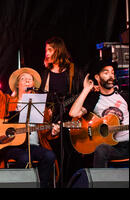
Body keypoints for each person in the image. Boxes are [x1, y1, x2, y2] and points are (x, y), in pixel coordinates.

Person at [0, 56, 58, 188]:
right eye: (23, 79)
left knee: (49, 156)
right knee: (24, 158)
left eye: (30, 80)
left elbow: (46, 133)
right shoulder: (7, 101)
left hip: (34, 146)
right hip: (13, 146)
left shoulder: (41, 106)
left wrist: (53, 131)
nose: (27, 81)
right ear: (17, 85)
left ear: (34, 85)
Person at [39, 36, 88, 187]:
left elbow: (82, 95)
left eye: (50, 50)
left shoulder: (74, 71)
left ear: (58, 50)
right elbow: (42, 98)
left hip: (71, 122)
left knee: (71, 155)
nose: (46, 53)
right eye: (46, 50)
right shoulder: (45, 74)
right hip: (52, 124)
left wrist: (82, 109)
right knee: (55, 156)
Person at [69, 60, 128, 168]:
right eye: (106, 73)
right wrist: (86, 89)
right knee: (101, 149)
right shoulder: (94, 98)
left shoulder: (124, 96)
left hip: (127, 143)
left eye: (112, 72)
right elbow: (74, 113)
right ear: (97, 77)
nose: (111, 76)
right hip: (112, 147)